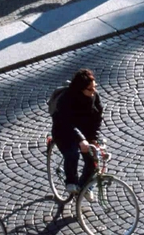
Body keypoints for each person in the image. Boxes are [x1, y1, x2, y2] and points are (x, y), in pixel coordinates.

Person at [50, 69, 103, 201]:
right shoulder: (67, 99)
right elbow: (66, 123)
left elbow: (97, 118)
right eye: (90, 89)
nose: (93, 91)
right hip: (64, 131)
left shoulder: (94, 96)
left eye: (94, 87)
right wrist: (81, 139)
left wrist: (93, 138)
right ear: (80, 89)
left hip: (84, 133)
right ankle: (71, 182)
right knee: (72, 153)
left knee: (93, 159)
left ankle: (86, 187)